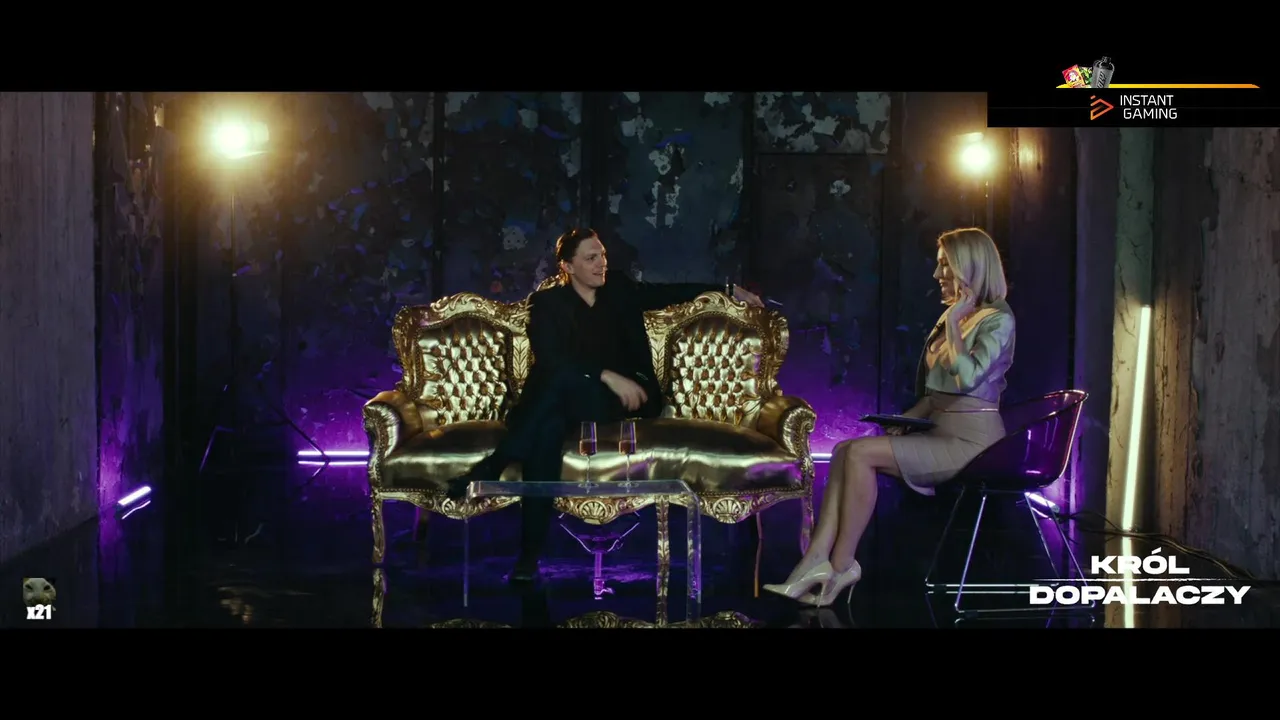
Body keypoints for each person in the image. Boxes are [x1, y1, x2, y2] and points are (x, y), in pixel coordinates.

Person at [448, 227, 764, 583]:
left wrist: (728, 289)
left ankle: (498, 464)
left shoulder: (619, 288)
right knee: (549, 425)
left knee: (551, 400)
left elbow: (670, 292)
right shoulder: (547, 303)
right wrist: (604, 374)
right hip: (574, 396)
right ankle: (529, 555)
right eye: (591, 258)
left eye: (602, 255)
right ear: (568, 266)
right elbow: (551, 359)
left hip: (627, 396)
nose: (601, 263)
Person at [763, 227, 1015, 606]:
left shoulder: (997, 320)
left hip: (974, 446)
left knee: (860, 454)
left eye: (945, 265)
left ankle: (842, 564)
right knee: (844, 450)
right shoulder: (958, 316)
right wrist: (903, 421)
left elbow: (966, 379)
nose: (937, 274)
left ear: (971, 265)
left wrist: (953, 323)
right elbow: (937, 395)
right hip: (940, 433)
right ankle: (815, 560)